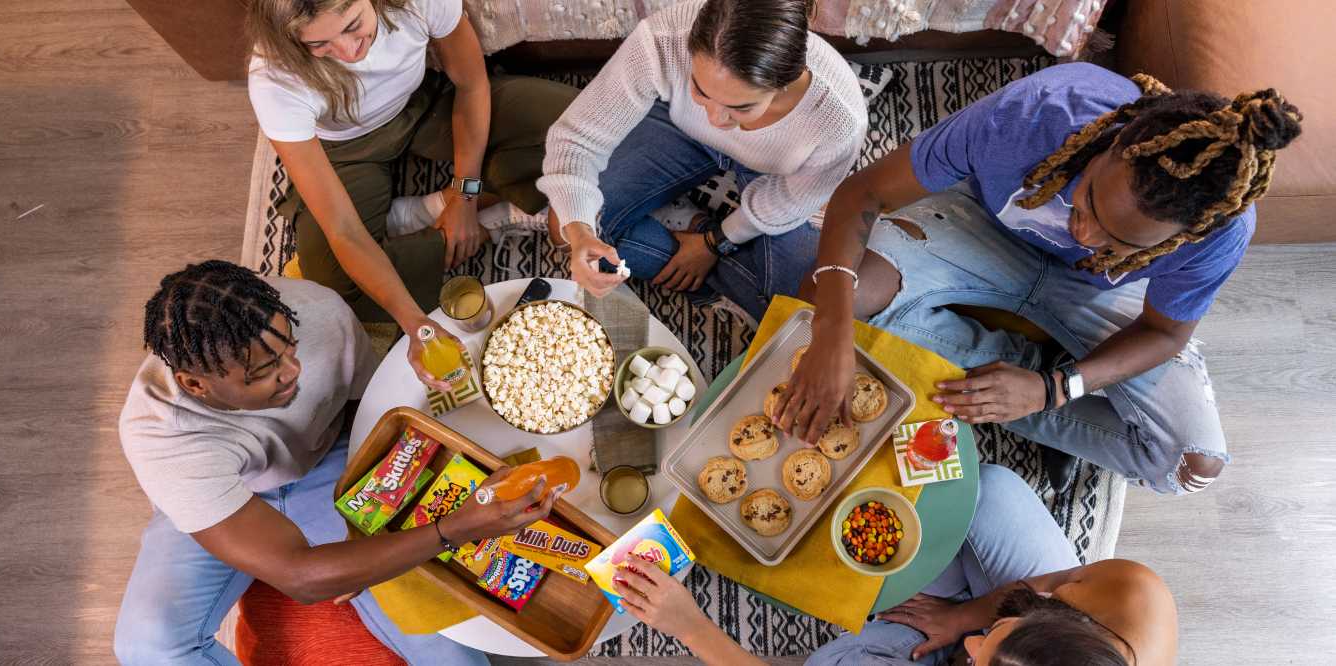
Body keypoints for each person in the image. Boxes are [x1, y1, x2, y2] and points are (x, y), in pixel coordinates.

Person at [776, 62, 1303, 493]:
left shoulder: (1218, 230)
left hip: (1091, 294)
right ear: (1111, 141)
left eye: (1121, 240)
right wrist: (832, 333)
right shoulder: (1035, 112)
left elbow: (1164, 332)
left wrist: (1054, 389)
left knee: (1188, 465)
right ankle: (1032, 372)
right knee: (823, 302)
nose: (1084, 233)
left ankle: (1035, 382)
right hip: (977, 230)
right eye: (1090, 198)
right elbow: (862, 193)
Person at [113, 260, 560, 665]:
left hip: (330, 464)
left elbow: (367, 411)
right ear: (195, 384)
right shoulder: (159, 436)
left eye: (288, 348)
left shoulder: (316, 310)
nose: (292, 371)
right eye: (262, 373)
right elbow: (300, 577)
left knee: (450, 658)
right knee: (147, 646)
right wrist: (454, 529)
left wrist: (368, 520)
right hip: (225, 499)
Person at [247, 0, 577, 388]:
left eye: (354, 26)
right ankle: (462, 213)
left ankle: (444, 211)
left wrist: (464, 194)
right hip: (344, 151)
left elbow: (471, 85)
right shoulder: (274, 78)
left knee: (574, 127)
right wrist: (416, 323)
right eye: (319, 45)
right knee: (334, 288)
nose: (347, 51)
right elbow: (343, 230)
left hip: (425, 105)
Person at [614, 466, 1178, 665]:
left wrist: (687, 624)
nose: (974, 645)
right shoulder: (1134, 596)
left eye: (979, 658)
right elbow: (1051, 586)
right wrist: (962, 621)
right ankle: (970, 599)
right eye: (997, 633)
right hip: (1026, 607)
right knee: (997, 492)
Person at [538, 0, 867, 322]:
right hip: (677, 128)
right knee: (565, 225)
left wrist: (717, 242)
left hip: (772, 174)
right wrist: (582, 235)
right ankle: (708, 244)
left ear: (785, 81)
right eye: (700, 89)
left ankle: (699, 246)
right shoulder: (664, 39)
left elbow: (789, 201)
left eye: (741, 108)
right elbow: (577, 140)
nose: (715, 118)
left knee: (806, 304)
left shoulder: (839, 119)